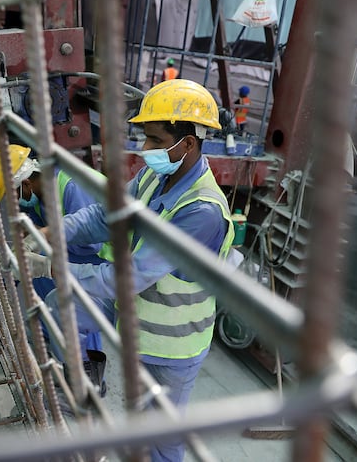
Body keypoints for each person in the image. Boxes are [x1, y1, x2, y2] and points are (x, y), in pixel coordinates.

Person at [32, 79, 234, 461]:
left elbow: (130, 277)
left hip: (172, 347)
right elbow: (105, 215)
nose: (146, 150)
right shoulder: (155, 177)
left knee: (162, 441)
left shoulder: (201, 212)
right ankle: (80, 376)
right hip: (139, 328)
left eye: (156, 140)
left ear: (188, 143)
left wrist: (53, 266)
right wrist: (51, 232)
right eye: (145, 139)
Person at [0, 145, 107, 386]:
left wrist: (45, 256)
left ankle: (89, 376)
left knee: (76, 300)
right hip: (77, 252)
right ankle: (55, 343)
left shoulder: (72, 186)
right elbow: (34, 230)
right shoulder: (36, 193)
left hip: (106, 258)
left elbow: (90, 244)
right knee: (41, 276)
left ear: (25, 183)